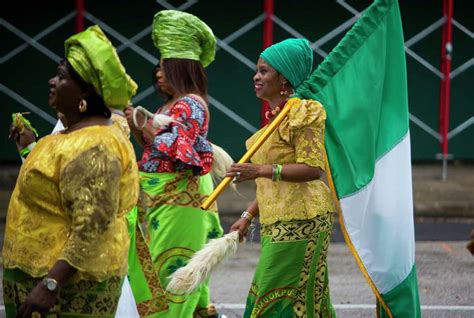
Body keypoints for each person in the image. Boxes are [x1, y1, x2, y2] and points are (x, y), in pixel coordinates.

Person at [3, 25, 139, 317]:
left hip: (69, 290)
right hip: (39, 277)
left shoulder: (97, 147)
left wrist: (52, 283)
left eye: (62, 77)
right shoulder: (70, 134)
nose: (52, 82)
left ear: (85, 92)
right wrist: (28, 148)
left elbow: (92, 226)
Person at [123, 10, 225, 317]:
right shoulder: (170, 105)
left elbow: (176, 146)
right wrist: (142, 125)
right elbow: (155, 147)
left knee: (168, 268)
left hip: (178, 201)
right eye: (157, 67)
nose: (157, 73)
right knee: (171, 268)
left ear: (181, 70)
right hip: (163, 200)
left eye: (166, 68)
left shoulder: (191, 103)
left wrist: (142, 121)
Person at [227, 38, 337, 317]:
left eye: (264, 71)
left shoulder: (304, 112)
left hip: (305, 218)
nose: (256, 77)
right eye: (256, 70)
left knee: (276, 296)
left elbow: (313, 168)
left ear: (284, 78)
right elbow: (270, 185)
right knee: (302, 296)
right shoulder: (275, 119)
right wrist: (247, 216)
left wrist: (260, 169)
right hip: (277, 221)